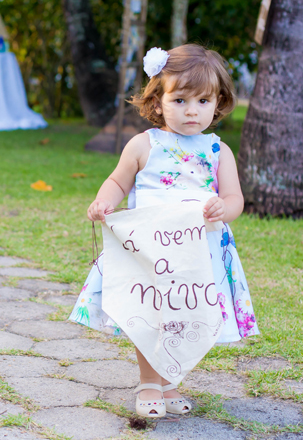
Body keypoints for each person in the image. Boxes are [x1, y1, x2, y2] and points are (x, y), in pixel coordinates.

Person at [70, 44, 259, 418]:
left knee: (184, 314)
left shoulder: (218, 151)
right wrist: (104, 202)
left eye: (203, 101)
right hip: (152, 249)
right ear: (158, 102)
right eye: (180, 100)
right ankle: (149, 383)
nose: (192, 111)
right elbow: (118, 181)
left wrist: (224, 209)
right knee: (151, 313)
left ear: (218, 102)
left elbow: (235, 198)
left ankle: (170, 382)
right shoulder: (144, 145)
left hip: (197, 252)